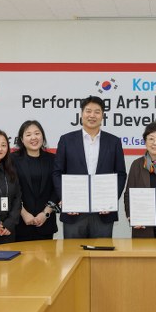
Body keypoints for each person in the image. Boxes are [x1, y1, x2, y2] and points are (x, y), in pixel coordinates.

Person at [52, 96, 127, 238]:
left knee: (101, 251)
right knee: (72, 251)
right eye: (88, 111)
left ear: (103, 116)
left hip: (103, 212)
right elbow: (57, 173)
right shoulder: (66, 140)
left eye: (97, 112)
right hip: (73, 212)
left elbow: (121, 174)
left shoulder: (114, 142)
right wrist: (66, 198)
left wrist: (110, 201)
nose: (92, 115)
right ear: (81, 114)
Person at [11, 120, 58, 241]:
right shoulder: (12, 160)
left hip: (45, 224)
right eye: (28, 134)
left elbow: (57, 189)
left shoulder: (53, 159)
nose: (33, 137)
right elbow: (10, 190)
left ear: (43, 136)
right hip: (20, 223)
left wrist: (46, 213)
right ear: (22, 139)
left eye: (37, 133)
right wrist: (23, 213)